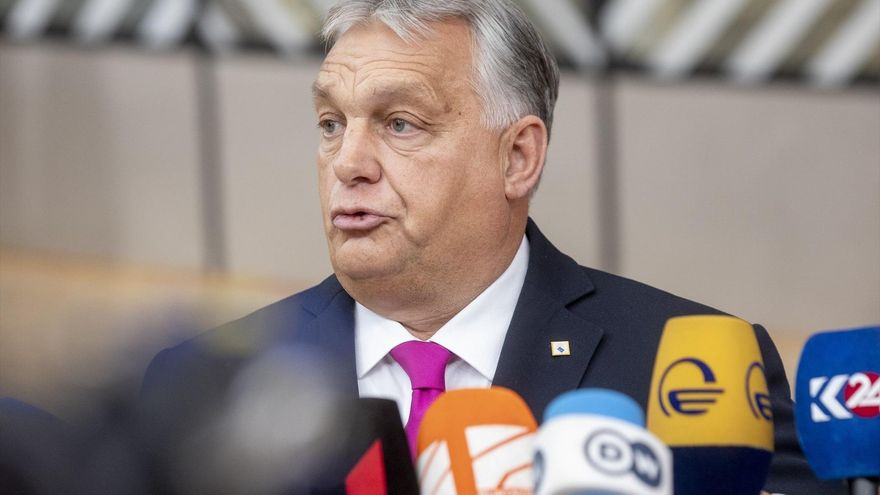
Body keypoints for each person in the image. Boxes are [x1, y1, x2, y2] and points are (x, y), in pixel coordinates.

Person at [143, 1, 843, 493]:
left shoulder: (690, 367)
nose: (348, 161)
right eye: (331, 122)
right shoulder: (208, 385)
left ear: (518, 157)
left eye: (401, 123)